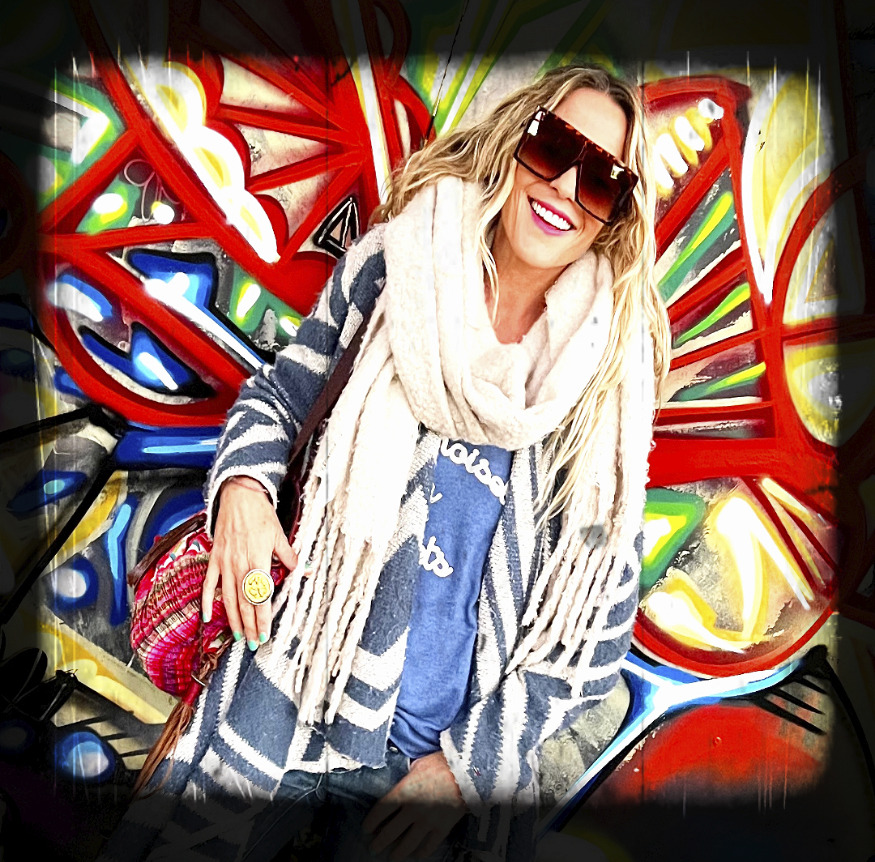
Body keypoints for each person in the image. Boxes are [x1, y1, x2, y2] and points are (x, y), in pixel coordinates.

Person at [100, 64, 669, 862]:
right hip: (286, 688)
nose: (566, 189)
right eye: (555, 148)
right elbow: (279, 396)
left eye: (602, 180)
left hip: (420, 778)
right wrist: (243, 491)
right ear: (517, 143)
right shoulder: (399, 265)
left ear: (614, 217)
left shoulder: (603, 381)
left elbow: (596, 632)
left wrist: (469, 770)